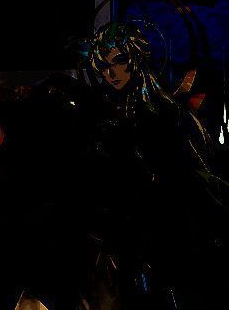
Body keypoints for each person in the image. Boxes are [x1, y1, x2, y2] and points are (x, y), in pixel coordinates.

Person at [82, 21, 228, 310]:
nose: (111, 73)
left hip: (167, 236)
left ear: (135, 57)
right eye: (104, 65)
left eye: (119, 61)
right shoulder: (106, 115)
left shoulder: (166, 114)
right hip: (125, 237)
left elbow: (196, 177)